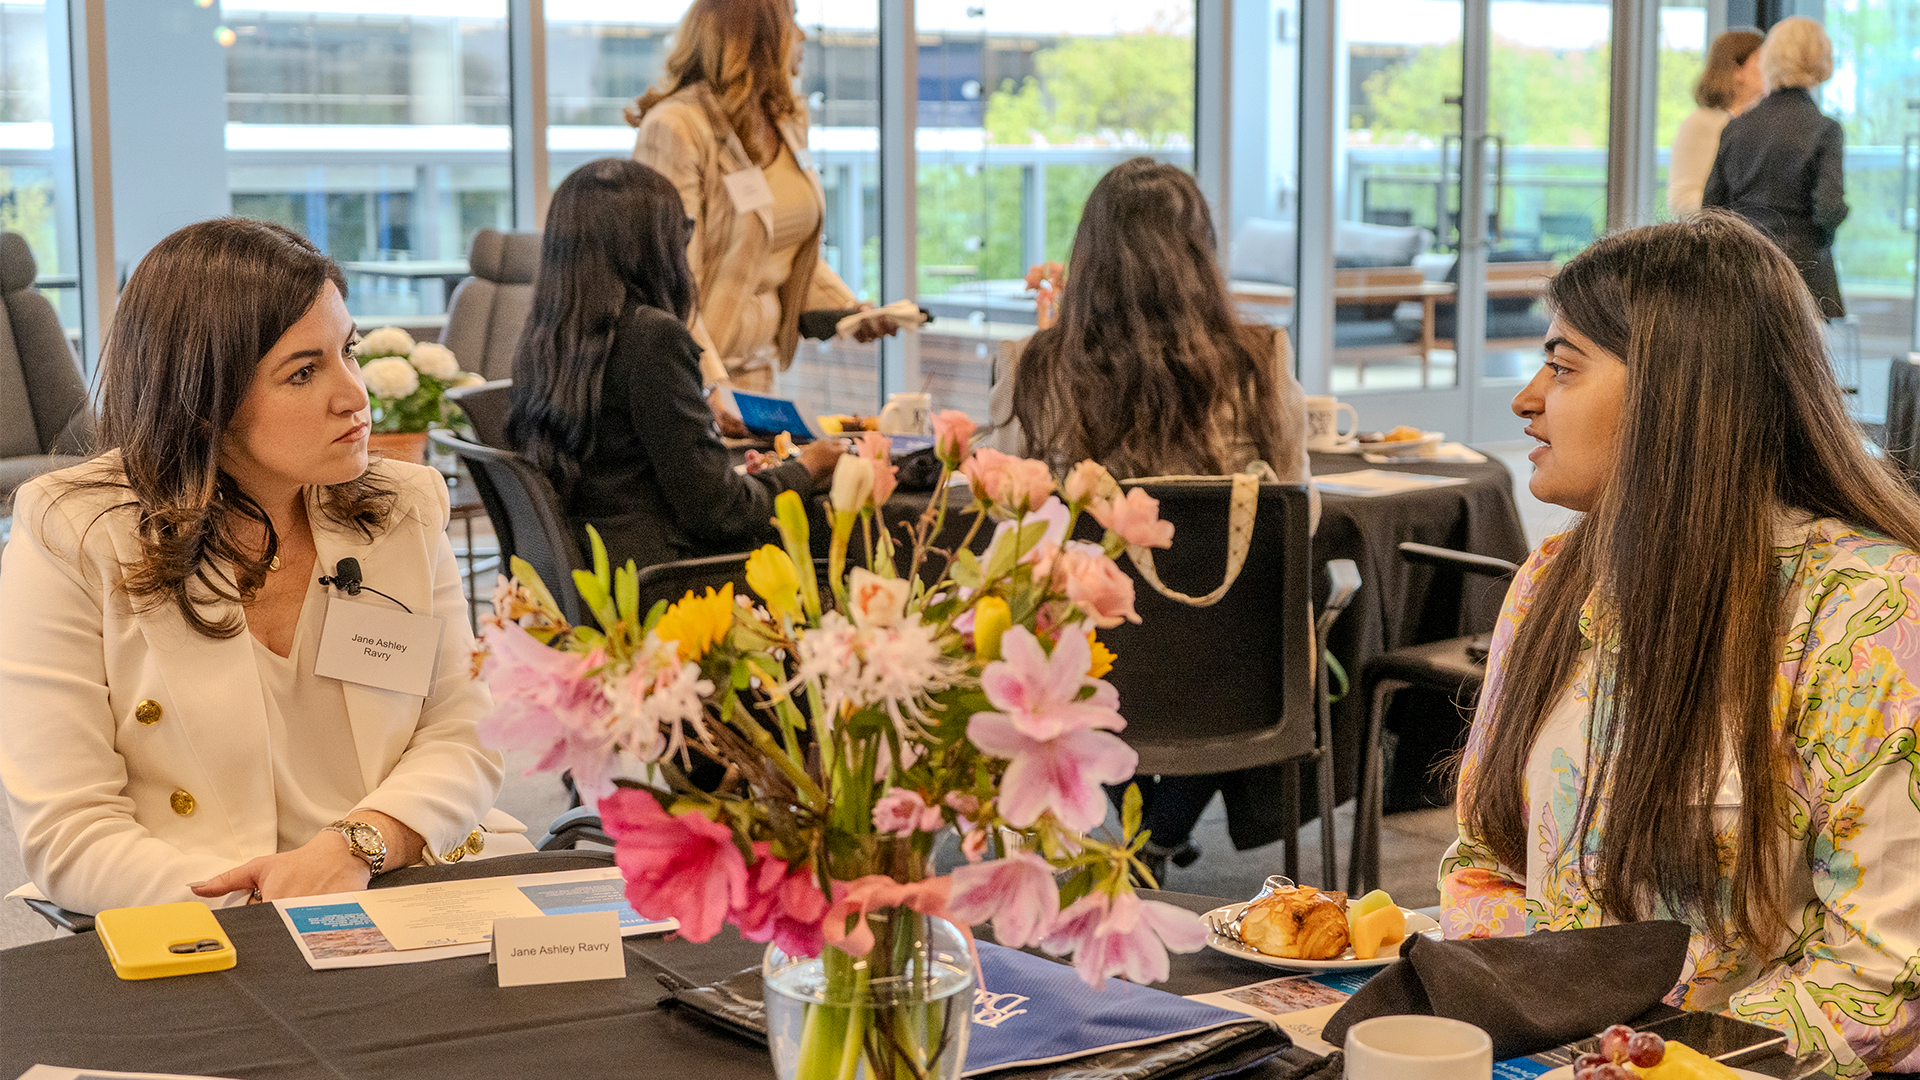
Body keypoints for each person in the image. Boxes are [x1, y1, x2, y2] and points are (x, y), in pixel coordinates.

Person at [1442, 213, 1920, 1075]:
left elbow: (1880, 982)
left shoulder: (1871, 612)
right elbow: (1484, 861)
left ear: (1677, 390)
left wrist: (1636, 1061)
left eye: (1563, 366)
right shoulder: (1552, 580)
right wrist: (1537, 1032)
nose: (1526, 399)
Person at [0, 219, 512, 916]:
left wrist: (356, 847)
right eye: (303, 372)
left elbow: (460, 730)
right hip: (203, 912)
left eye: (349, 352)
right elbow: (72, 830)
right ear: (203, 401)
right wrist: (271, 906)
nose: (353, 396)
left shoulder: (403, 505)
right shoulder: (73, 529)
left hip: (397, 878)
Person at [989, 157, 1317, 879]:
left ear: (1089, 255)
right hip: (1231, 671)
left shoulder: (1034, 367)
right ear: (1201, 254)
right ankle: (1161, 830)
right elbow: (1300, 514)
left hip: (1083, 665)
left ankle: (1143, 833)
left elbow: (1010, 521)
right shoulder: (1260, 361)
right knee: (1292, 616)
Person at [506, 158, 842, 575]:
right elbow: (722, 512)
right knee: (843, 540)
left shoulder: (545, 339)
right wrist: (807, 468)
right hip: (667, 579)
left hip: (587, 572)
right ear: (653, 245)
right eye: (684, 230)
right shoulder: (653, 337)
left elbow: (624, 461)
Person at [627, 0, 896, 431]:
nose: (802, 36)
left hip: (760, 372)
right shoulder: (675, 126)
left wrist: (848, 309)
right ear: (757, 35)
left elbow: (779, 244)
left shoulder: (786, 120)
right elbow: (670, 280)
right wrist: (709, 385)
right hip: (692, 381)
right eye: (793, 20)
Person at [1704, 16, 1848, 317]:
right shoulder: (1825, 130)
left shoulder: (1736, 127)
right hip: (1802, 272)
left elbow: (1712, 205)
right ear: (1821, 60)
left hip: (1743, 268)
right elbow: (1829, 208)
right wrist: (1819, 241)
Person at [1667, 28, 1764, 218]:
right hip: (1720, 231)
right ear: (1737, 70)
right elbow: (1682, 199)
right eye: (1761, 60)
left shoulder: (1758, 123)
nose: (1769, 68)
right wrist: (1735, 218)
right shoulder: (1701, 123)